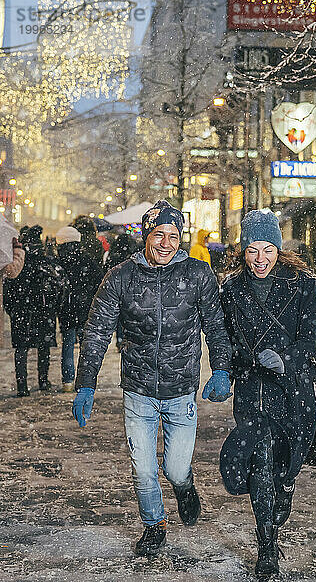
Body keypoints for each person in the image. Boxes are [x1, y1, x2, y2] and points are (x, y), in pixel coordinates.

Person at [71, 200, 232, 556]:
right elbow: (97, 330)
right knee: (143, 468)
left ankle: (184, 485)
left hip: (181, 389)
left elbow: (216, 328)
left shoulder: (197, 275)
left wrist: (222, 368)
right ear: (147, 235)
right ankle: (154, 523)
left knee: (174, 468)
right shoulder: (121, 276)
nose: (166, 243)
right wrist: (86, 382)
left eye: (174, 236)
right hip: (139, 390)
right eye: (159, 234)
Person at [219, 210, 316, 579]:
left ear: (278, 249)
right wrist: (224, 372)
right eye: (252, 249)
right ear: (243, 250)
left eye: (267, 249)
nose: (259, 258)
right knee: (259, 461)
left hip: (293, 390)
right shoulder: (231, 290)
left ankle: (288, 484)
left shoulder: (302, 284)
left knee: (286, 464)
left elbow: (308, 338)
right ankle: (266, 545)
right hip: (253, 390)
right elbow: (228, 341)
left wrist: (286, 359)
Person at [3, 225, 66, 397]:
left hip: (21, 311)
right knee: (43, 347)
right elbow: (57, 286)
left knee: (21, 349)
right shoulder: (46, 261)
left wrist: (12, 309)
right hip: (43, 311)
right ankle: (43, 380)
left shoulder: (16, 261)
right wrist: (52, 308)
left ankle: (22, 385)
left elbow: (8, 288)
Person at [56, 226, 104, 392]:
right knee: (86, 347)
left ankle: (68, 380)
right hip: (85, 309)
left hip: (67, 309)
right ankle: (85, 380)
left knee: (67, 345)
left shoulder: (59, 261)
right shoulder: (86, 259)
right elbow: (99, 281)